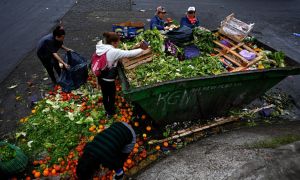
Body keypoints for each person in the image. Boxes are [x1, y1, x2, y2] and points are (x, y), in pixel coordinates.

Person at [95, 32, 148, 118]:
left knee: (105, 94)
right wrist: (142, 49)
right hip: (108, 79)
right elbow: (129, 54)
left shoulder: (101, 46)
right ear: (113, 42)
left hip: (101, 75)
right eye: (118, 42)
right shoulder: (113, 51)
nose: (119, 44)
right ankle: (110, 112)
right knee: (111, 95)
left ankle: (107, 109)